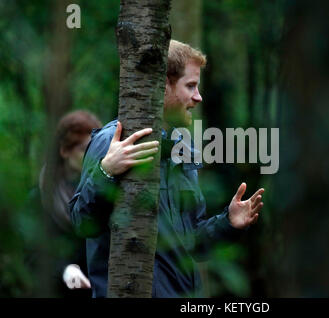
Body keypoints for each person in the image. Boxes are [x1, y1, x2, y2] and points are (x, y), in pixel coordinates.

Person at [69, 40, 265, 298]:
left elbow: (191, 243)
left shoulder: (184, 147)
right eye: (191, 86)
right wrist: (106, 172)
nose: (198, 97)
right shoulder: (113, 141)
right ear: (162, 87)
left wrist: (228, 223)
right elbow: (82, 223)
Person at [29, 110, 102, 297]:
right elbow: (32, 254)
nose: (91, 156)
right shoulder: (41, 197)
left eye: (96, 148)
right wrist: (65, 269)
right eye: (84, 149)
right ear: (64, 150)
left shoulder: (102, 191)